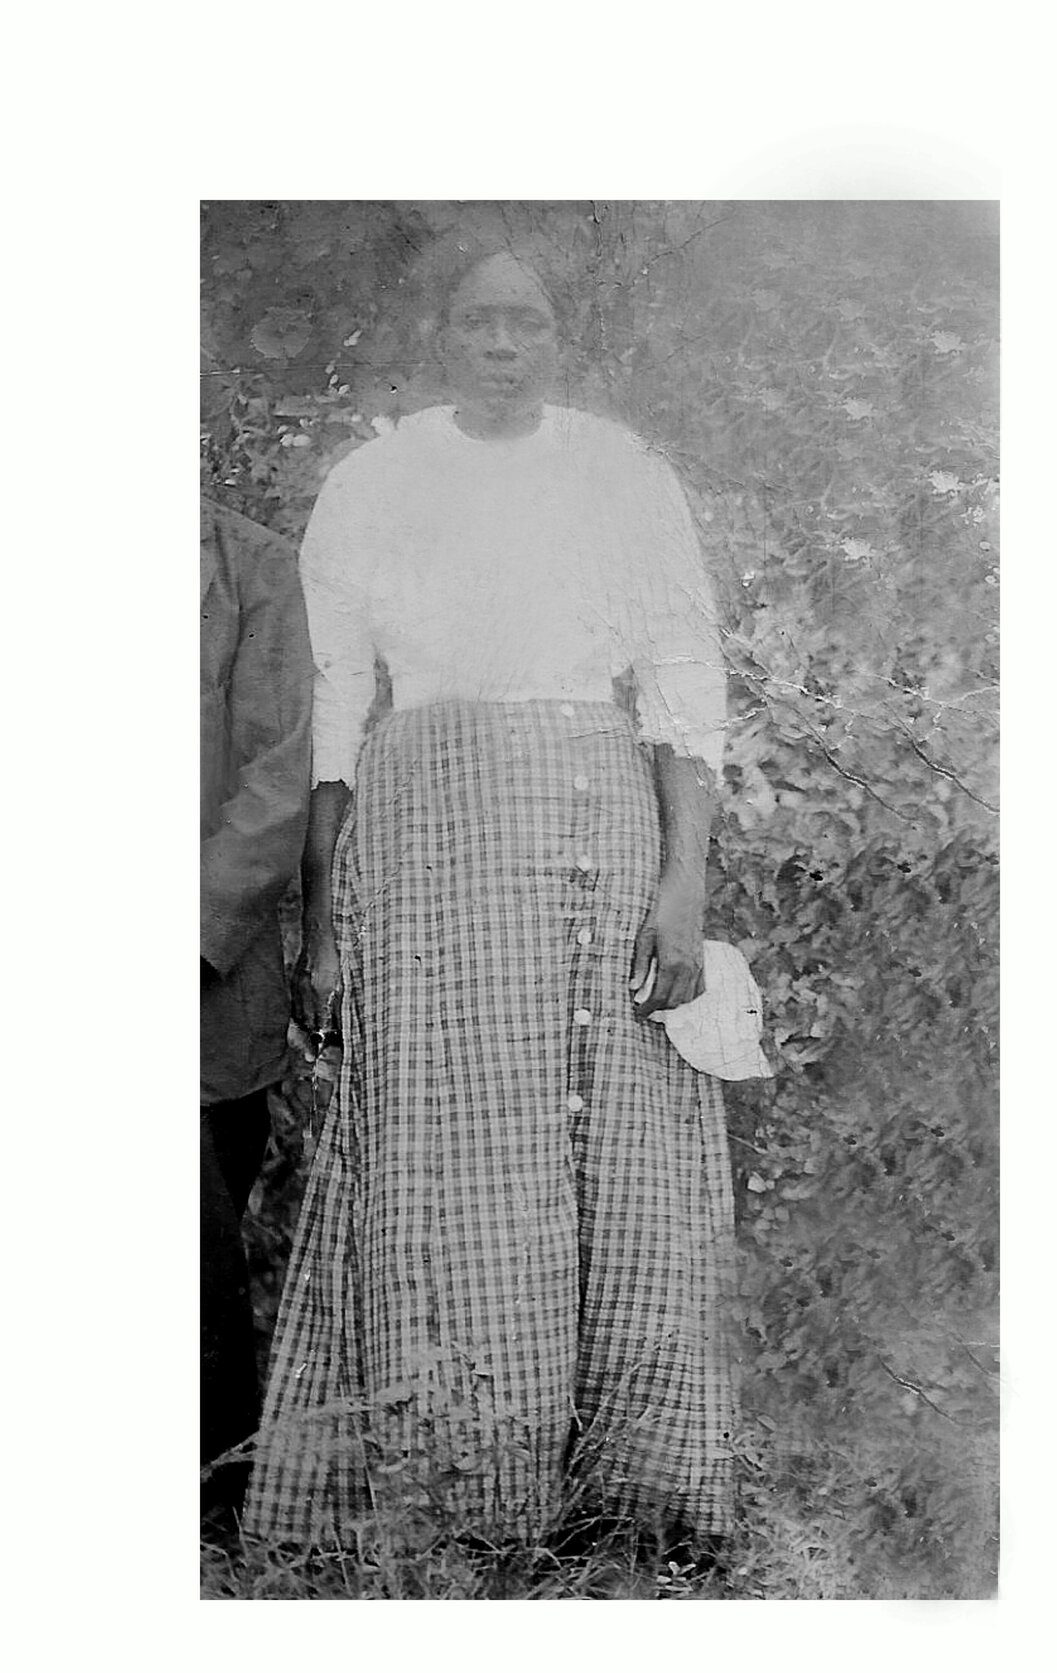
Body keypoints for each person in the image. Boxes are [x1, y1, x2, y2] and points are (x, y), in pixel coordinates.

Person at [244, 237, 735, 1554]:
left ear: (560, 339)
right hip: (425, 847)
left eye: (527, 322)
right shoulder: (376, 482)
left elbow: (685, 689)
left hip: (592, 832)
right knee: (445, 1141)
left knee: (608, 1146)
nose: (503, 344)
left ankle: (633, 1495)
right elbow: (339, 705)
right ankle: (463, 1489)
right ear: (442, 338)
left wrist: (681, 889)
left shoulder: (619, 477)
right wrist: (327, 918)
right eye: (479, 323)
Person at [201, 498, 312, 1523]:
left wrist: (193, 928)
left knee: (196, 1241)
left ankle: (206, 1508)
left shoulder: (251, 569)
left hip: (202, 978)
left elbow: (279, 779)